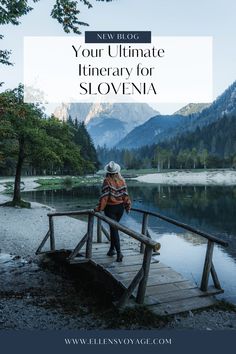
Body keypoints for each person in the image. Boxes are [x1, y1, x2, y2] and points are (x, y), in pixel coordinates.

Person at [94, 161, 131, 262]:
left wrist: (98, 208)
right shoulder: (122, 180)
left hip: (110, 209)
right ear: (117, 171)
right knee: (113, 228)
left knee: (114, 230)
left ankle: (119, 253)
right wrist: (127, 206)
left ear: (108, 171)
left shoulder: (107, 181)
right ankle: (111, 249)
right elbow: (125, 195)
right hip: (120, 209)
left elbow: (104, 198)